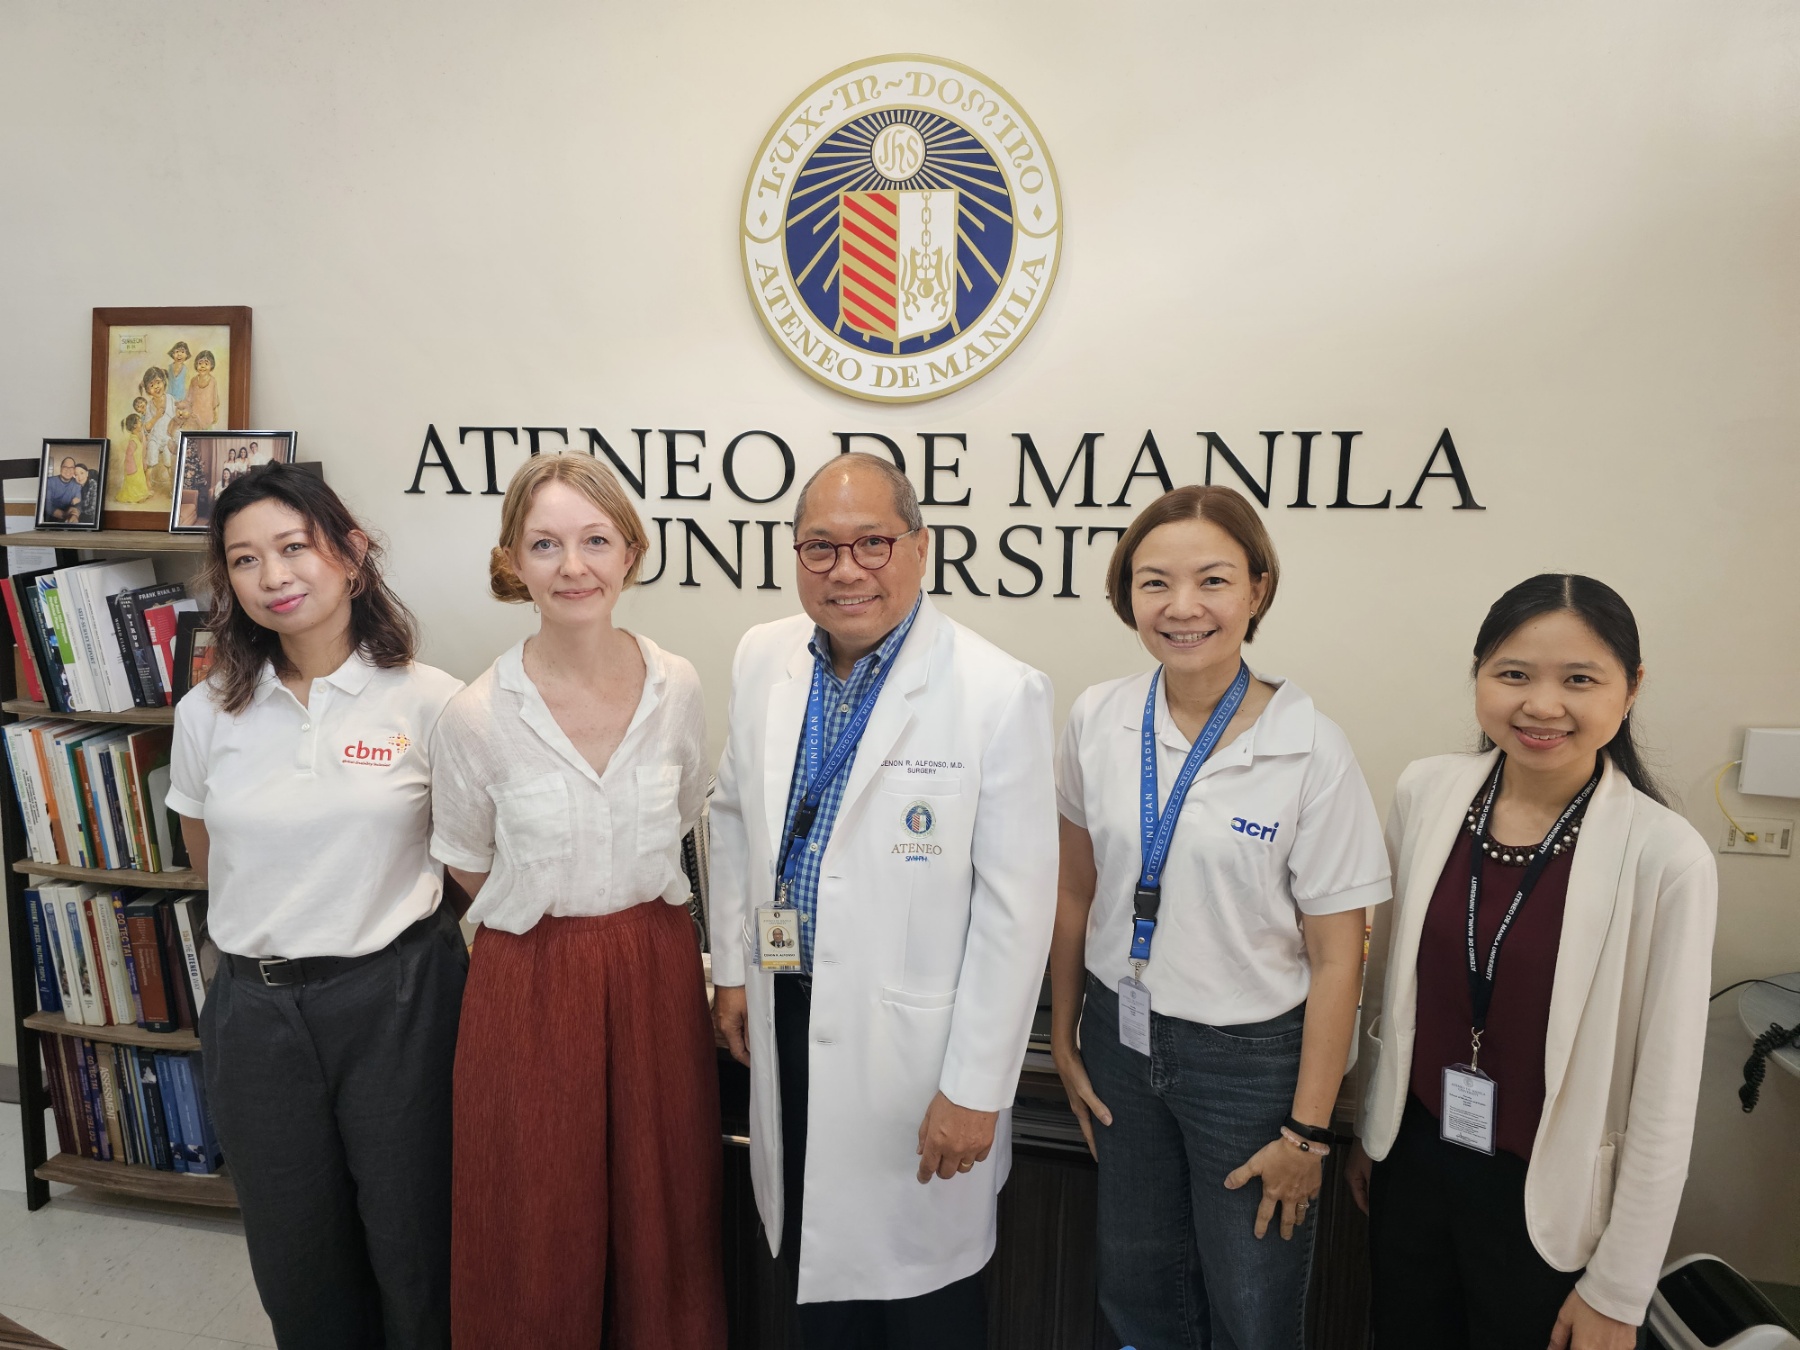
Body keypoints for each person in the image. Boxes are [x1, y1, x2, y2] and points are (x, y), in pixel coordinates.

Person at [711, 452, 1057, 1349]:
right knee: (807, 1281)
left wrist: (977, 1087)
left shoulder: (996, 691)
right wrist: (734, 972)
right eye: (819, 548)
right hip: (786, 1015)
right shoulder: (763, 656)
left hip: (918, 1058)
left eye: (873, 542)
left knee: (918, 1307)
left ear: (921, 547)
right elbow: (732, 813)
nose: (847, 570)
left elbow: (1017, 910)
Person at [1049, 484, 1391, 1350]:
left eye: (1212, 580)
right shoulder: (1098, 717)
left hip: (1249, 1064)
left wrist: (1308, 1134)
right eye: (1155, 582)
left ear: (1258, 591)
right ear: (1127, 593)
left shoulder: (1311, 747)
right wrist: (1062, 1034)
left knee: (1252, 1306)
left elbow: (1339, 956)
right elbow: (1075, 892)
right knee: (1137, 1286)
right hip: (1121, 1041)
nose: (1183, 607)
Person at [1347, 575, 1717, 1350]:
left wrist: (1620, 1288)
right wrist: (1367, 1130)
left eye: (1579, 680)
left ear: (1631, 689)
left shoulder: (1664, 855)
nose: (1542, 705)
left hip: (1550, 1202)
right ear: (1479, 674)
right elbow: (1386, 991)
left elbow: (1665, 1092)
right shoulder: (1427, 792)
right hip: (1414, 1161)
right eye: (1513, 674)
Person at [166, 462, 466, 1350]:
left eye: (294, 548)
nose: (275, 576)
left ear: (352, 557)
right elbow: (206, 855)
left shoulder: (433, 700)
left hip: (399, 1001)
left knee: (416, 1242)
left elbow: (464, 859)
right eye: (247, 560)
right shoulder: (207, 713)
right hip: (255, 1015)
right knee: (296, 1253)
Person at [430, 452, 725, 1349]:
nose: (574, 567)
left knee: (664, 1206)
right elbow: (471, 867)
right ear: (513, 562)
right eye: (547, 544)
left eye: (596, 541)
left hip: (654, 966)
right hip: (529, 980)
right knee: (531, 1219)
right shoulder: (476, 715)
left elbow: (682, 818)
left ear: (630, 552)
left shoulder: (677, 686)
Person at [117, 414, 150, 504]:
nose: (141, 422)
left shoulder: (138, 436)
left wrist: (143, 462)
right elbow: (129, 455)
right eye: (139, 421)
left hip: (138, 464)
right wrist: (131, 467)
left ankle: (141, 494)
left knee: (140, 480)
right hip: (132, 466)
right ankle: (135, 497)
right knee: (134, 481)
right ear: (135, 426)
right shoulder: (133, 441)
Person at [186, 349, 220, 429]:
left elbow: (215, 399)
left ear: (211, 365)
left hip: (208, 416)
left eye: (206, 363)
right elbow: (189, 398)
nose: (203, 366)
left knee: (206, 437)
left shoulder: (213, 381)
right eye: (200, 363)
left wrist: (216, 413)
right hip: (194, 416)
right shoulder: (193, 381)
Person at [41, 457, 79, 522]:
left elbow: (79, 504)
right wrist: (66, 516)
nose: (68, 470)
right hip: (50, 520)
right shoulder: (49, 482)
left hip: (69, 520)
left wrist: (74, 515)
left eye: (71, 467)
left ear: (74, 470)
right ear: (61, 468)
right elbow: (47, 505)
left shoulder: (77, 484)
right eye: (65, 467)